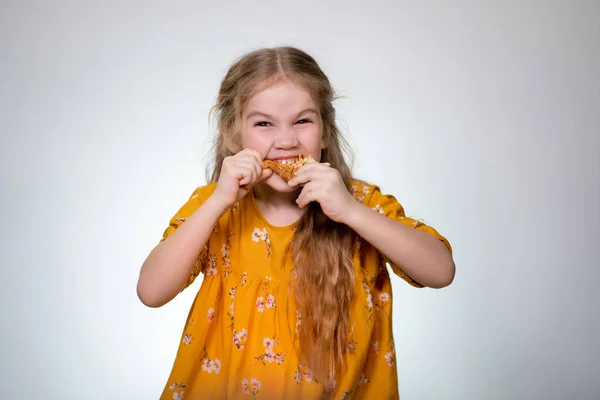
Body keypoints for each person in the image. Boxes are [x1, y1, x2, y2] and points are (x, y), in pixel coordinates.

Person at [137, 46, 455, 400]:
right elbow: (151, 292)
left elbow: (440, 271)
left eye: (302, 121)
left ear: (326, 132)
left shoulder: (361, 205)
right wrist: (217, 202)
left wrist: (351, 212)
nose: (287, 141)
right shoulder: (214, 208)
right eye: (263, 123)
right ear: (232, 135)